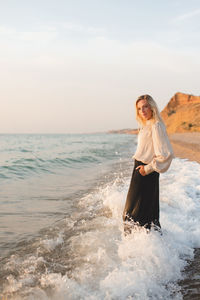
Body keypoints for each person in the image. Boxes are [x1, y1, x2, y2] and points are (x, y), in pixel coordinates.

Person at [122, 94, 174, 234]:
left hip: (146, 172)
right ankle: (150, 250)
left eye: (145, 106)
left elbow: (166, 154)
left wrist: (148, 169)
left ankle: (138, 252)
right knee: (146, 217)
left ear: (152, 107)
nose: (142, 111)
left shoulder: (156, 126)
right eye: (139, 108)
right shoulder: (146, 125)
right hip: (141, 170)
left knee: (131, 217)